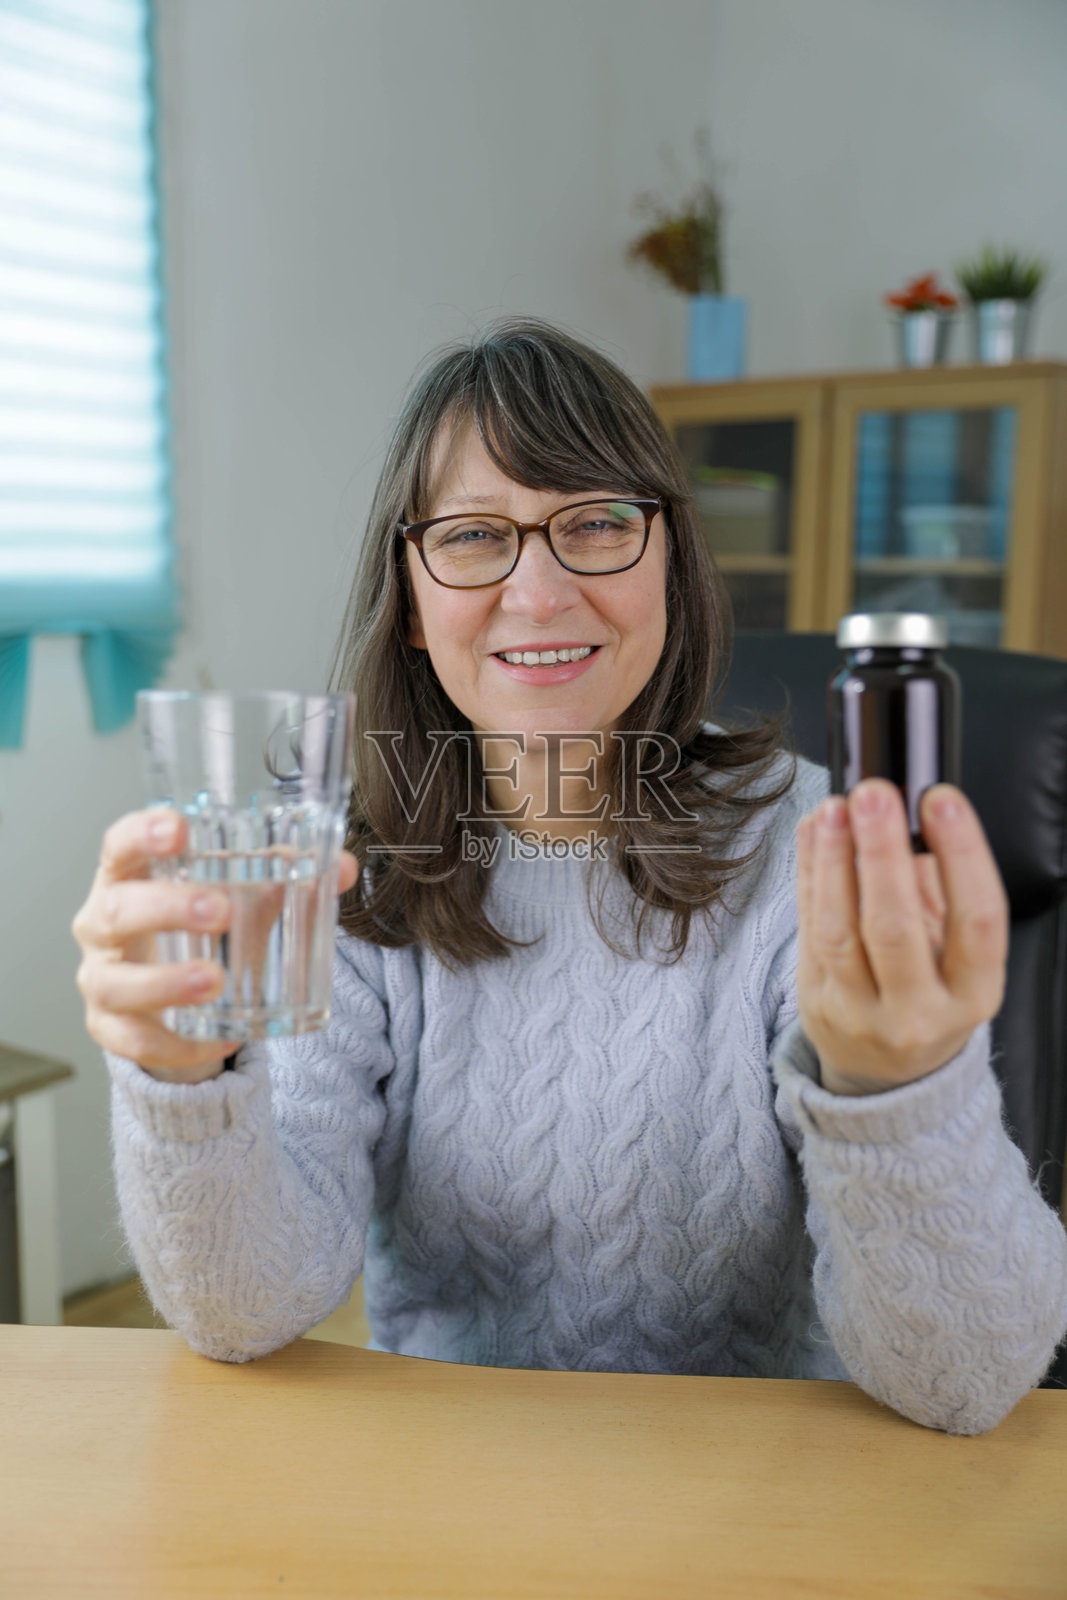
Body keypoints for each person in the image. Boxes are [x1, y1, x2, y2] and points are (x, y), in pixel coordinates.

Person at [74, 318, 1067, 1436]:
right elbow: (245, 1306)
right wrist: (183, 1081)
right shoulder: (344, 863)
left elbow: (966, 1379)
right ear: (409, 597)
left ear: (669, 566)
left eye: (593, 524)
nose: (537, 593)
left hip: (772, 1501)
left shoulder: (819, 848)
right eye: (471, 535)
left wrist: (897, 1091)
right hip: (460, 1487)